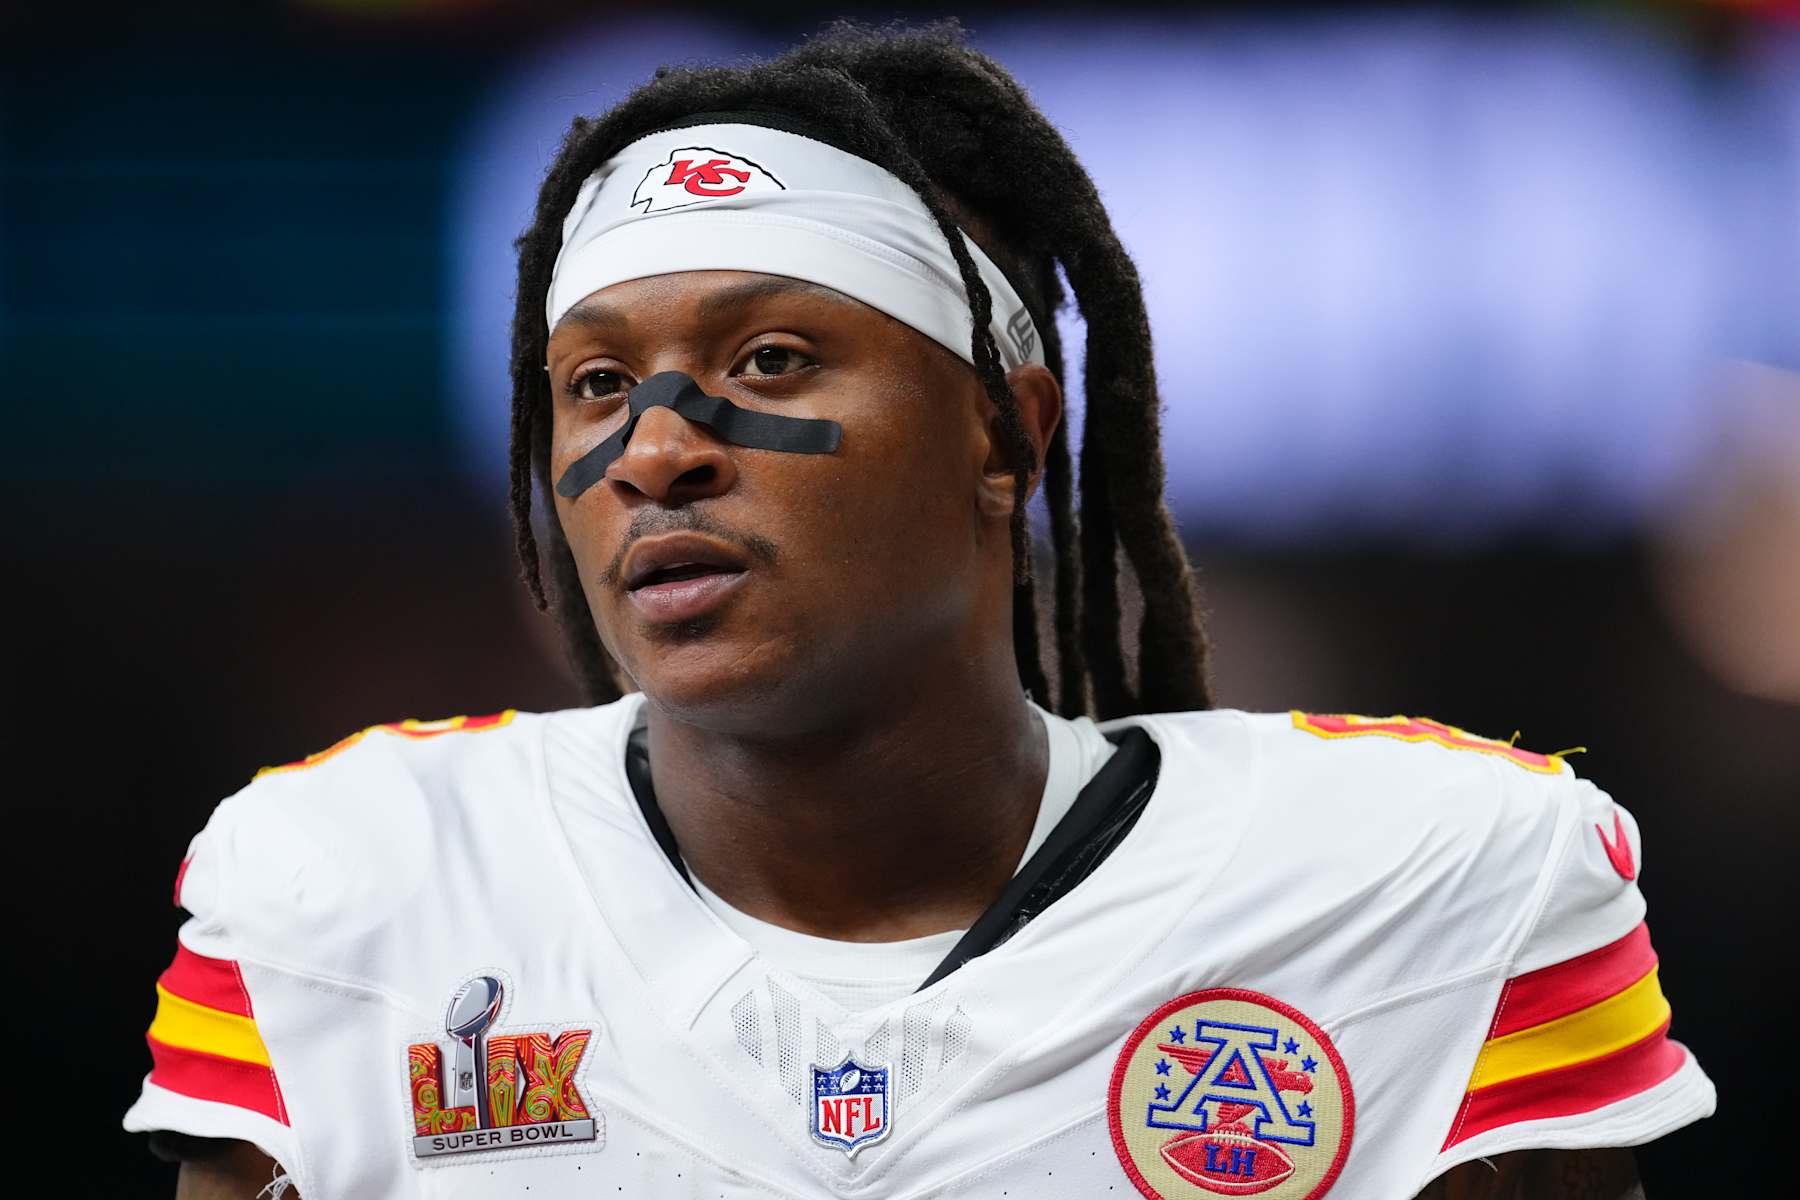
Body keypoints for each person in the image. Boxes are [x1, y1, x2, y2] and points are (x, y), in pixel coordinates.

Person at [125, 23, 1713, 1200]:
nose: (657, 451)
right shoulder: (347, 894)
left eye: (767, 362)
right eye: (595, 384)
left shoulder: (1444, 886)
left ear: (1005, 433)